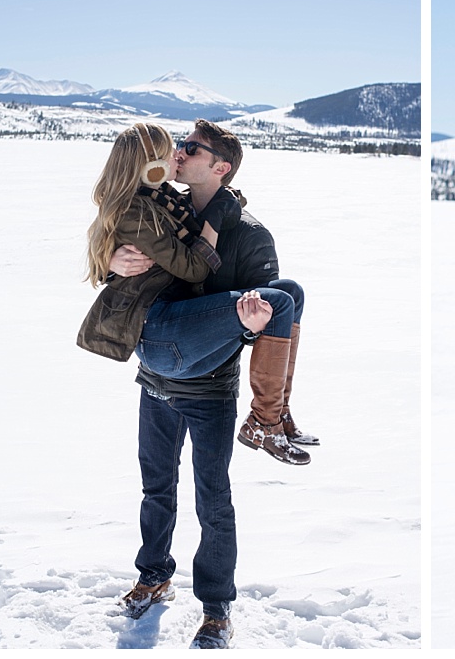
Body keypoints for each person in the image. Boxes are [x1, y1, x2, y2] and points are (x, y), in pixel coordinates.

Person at [77, 120, 313, 647]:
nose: (179, 153)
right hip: (155, 376)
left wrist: (249, 330)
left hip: (208, 388)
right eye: (178, 146)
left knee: (214, 501)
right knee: (156, 489)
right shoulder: (166, 204)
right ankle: (153, 576)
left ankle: (215, 609)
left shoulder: (250, 235)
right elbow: (126, 254)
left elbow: (266, 324)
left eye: (191, 149)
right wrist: (111, 263)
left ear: (220, 167)